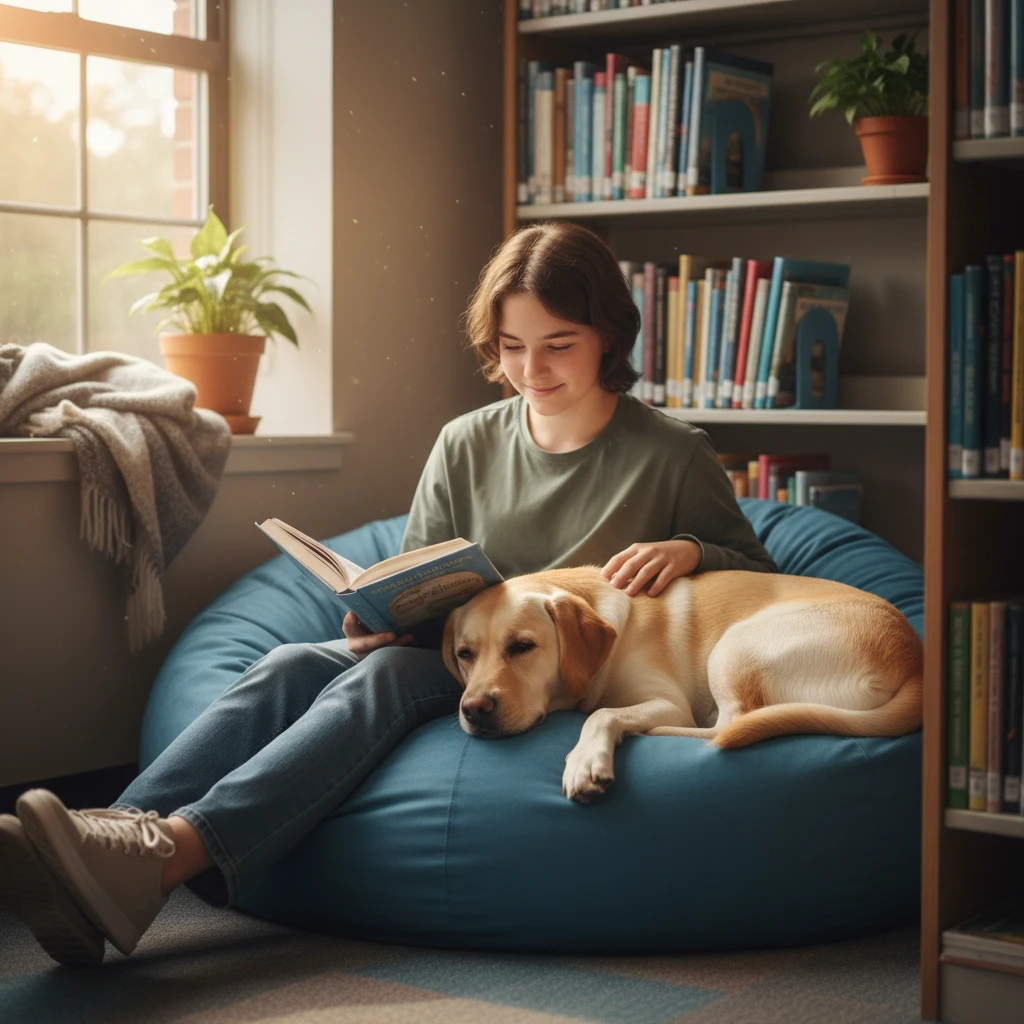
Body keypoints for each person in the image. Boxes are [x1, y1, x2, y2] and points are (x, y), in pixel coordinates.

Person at [0, 221, 777, 967]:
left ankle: (172, 857)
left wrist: (688, 548)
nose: (532, 370)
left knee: (376, 682)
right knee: (289, 664)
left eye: (558, 346)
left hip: (559, 671)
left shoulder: (672, 453)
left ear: (609, 335)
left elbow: (754, 572)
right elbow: (419, 572)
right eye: (511, 348)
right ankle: (105, 836)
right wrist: (381, 614)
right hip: (454, 651)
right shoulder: (467, 441)